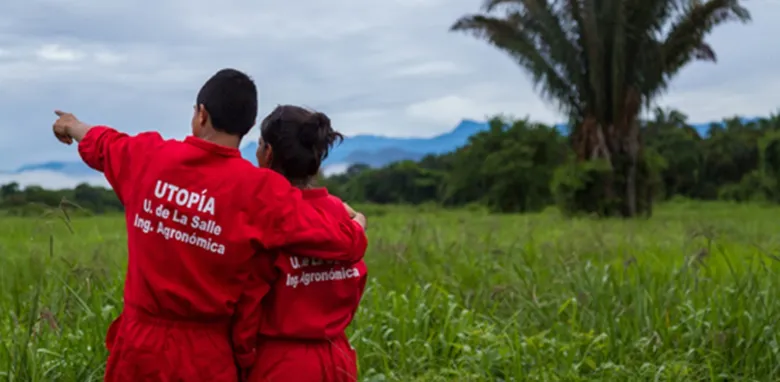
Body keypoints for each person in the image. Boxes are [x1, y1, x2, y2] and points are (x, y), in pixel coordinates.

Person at [51, 69, 368, 382]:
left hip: (139, 346)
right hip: (208, 354)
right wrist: (353, 222)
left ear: (201, 114)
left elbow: (104, 142)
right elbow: (341, 242)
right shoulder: (261, 191)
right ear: (247, 127)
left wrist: (72, 125)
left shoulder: (145, 156)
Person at [245, 105, 368, 382]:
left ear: (268, 154)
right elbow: (356, 280)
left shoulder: (265, 217)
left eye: (259, 144)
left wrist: (241, 360)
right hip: (338, 359)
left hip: (280, 364)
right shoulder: (343, 215)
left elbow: (248, 305)